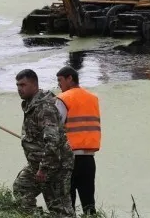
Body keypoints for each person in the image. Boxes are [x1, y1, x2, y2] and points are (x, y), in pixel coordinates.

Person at [13, 69, 75, 218]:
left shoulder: (44, 107)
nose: (19, 89)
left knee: (59, 208)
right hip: (39, 163)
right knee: (22, 188)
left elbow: (53, 141)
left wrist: (44, 169)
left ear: (34, 85)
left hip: (55, 165)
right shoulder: (31, 105)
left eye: (23, 85)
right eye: (17, 85)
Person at [55, 66, 101, 215]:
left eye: (60, 80)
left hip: (69, 158)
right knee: (89, 202)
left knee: (69, 203)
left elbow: (55, 127)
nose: (59, 85)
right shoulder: (92, 98)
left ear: (70, 78)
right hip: (88, 159)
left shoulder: (63, 98)